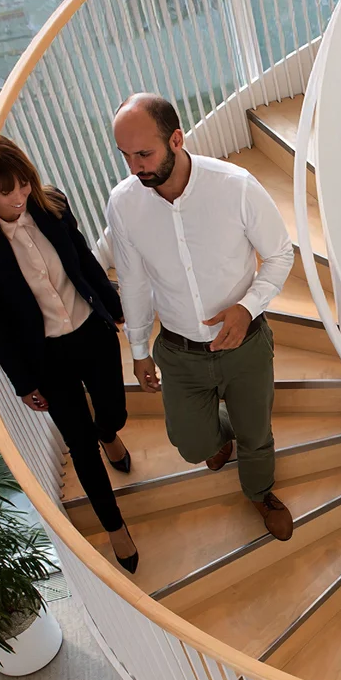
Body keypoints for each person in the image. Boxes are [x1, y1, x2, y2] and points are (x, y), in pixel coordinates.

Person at [106, 93, 296, 541]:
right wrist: (137, 351)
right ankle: (219, 437)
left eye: (144, 154)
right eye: (126, 156)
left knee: (258, 435)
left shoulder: (235, 186)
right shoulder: (124, 204)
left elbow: (280, 254)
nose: (135, 167)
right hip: (178, 351)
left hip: (245, 343)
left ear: (176, 139)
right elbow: (131, 282)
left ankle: (260, 490)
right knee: (191, 444)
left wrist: (247, 308)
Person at [0, 135, 139, 574]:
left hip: (91, 333)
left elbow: (84, 262)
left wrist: (114, 309)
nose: (19, 195)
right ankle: (115, 527)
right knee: (80, 445)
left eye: (23, 183)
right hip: (46, 357)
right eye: (7, 191)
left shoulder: (50, 203)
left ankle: (109, 431)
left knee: (113, 410)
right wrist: (23, 381)